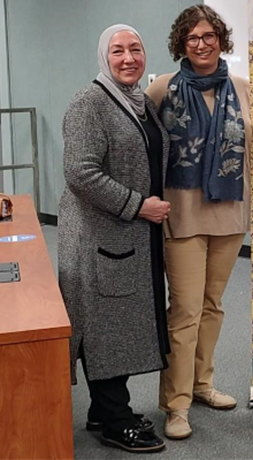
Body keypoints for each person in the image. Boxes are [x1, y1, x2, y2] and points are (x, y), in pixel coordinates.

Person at [58, 24, 172, 453]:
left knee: (120, 322)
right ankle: (115, 420)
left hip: (128, 236)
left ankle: (102, 411)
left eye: (136, 49)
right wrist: (138, 205)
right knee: (105, 328)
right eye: (118, 51)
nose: (129, 58)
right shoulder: (90, 103)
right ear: (104, 56)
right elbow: (81, 173)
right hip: (99, 237)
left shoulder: (140, 103)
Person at [145, 5, 251, 440]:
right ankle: (176, 404)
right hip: (182, 216)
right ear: (181, 44)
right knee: (185, 311)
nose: (202, 44)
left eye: (209, 36)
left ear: (220, 39)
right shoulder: (161, 89)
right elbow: (145, 148)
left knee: (212, 306)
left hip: (230, 214)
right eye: (193, 38)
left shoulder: (243, 88)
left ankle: (202, 383)